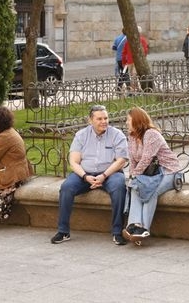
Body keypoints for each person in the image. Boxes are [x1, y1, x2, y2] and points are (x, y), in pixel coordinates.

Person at [50, 104, 129, 245]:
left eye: (106, 118)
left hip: (110, 174)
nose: (104, 121)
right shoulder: (81, 135)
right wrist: (85, 176)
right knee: (66, 188)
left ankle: (117, 232)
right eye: (99, 119)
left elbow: (121, 161)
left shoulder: (117, 135)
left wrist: (103, 176)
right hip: (84, 174)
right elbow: (73, 161)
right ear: (90, 120)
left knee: (119, 188)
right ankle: (63, 231)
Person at [122, 107, 182, 241]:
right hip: (150, 174)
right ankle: (134, 225)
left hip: (168, 171)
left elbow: (146, 159)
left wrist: (135, 176)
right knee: (135, 187)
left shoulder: (151, 134)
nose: (126, 122)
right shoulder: (132, 136)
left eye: (128, 120)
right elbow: (133, 161)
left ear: (137, 121)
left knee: (151, 191)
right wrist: (132, 177)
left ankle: (143, 230)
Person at [120, 27, 149, 92]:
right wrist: (143, 58)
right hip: (138, 61)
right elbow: (145, 50)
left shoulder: (128, 41)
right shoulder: (142, 40)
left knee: (133, 76)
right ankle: (136, 88)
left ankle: (135, 88)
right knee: (137, 76)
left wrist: (124, 62)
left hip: (130, 61)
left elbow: (124, 53)